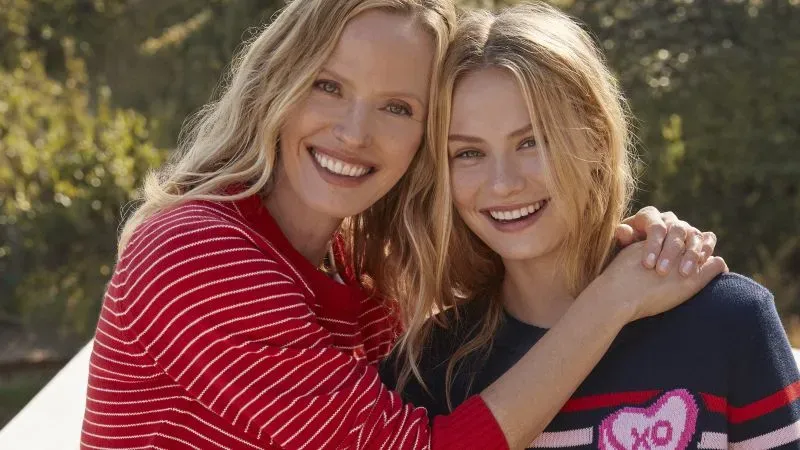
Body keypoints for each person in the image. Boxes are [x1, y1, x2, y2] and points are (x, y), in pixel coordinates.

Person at [80, 0, 725, 448]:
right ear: (276, 82)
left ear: (425, 137)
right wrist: (611, 301)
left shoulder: (354, 266)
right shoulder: (200, 253)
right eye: (328, 86)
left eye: (397, 106)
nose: (355, 133)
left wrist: (611, 242)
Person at [384, 3, 800, 449]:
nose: (503, 183)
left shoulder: (729, 320)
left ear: (597, 138)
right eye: (468, 152)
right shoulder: (426, 369)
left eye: (532, 141)